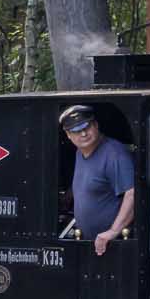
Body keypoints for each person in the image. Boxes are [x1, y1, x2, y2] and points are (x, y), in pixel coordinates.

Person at [57, 103, 136, 258]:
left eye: (86, 127)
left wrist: (113, 231)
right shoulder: (81, 152)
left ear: (96, 125)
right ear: (68, 134)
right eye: (77, 131)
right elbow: (92, 180)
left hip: (113, 245)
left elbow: (132, 194)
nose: (84, 134)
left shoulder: (114, 154)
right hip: (90, 242)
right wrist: (68, 196)